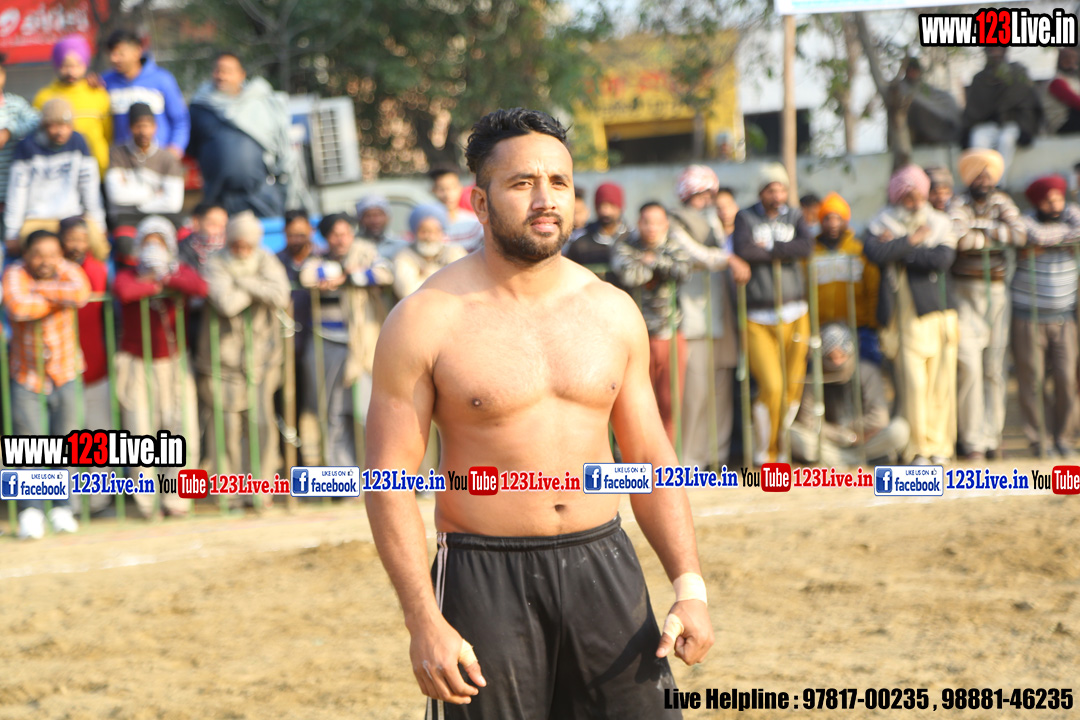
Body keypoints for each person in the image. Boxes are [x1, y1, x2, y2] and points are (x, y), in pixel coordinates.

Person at [365, 107, 712, 719]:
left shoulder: (612, 311)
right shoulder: (424, 319)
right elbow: (387, 479)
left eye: (559, 182)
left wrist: (690, 586)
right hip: (482, 577)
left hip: (604, 563)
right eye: (523, 183)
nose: (546, 199)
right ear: (480, 202)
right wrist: (423, 620)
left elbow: (650, 458)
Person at [864, 165, 959, 465]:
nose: (916, 202)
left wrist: (899, 249)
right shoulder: (881, 222)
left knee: (941, 385)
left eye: (920, 195)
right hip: (903, 320)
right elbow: (875, 254)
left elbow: (941, 260)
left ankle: (939, 446)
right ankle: (917, 449)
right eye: (909, 196)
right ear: (898, 197)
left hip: (939, 315)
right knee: (914, 387)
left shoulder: (940, 222)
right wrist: (912, 240)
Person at [113, 216, 207, 517]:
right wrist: (152, 282)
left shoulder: (179, 270)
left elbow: (199, 287)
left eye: (160, 243)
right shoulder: (127, 273)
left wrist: (165, 275)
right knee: (141, 434)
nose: (153, 249)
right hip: (137, 364)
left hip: (175, 362)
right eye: (148, 243)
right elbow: (125, 291)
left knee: (182, 430)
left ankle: (177, 500)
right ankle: (147, 503)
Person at [2, 229, 89, 539]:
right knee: (30, 446)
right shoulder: (14, 273)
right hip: (27, 375)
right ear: (27, 255)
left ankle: (62, 509)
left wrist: (38, 290)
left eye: (52, 254)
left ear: (60, 254)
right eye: (38, 255)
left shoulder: (68, 269)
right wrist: (57, 299)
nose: (46, 261)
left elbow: (81, 294)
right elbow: (18, 307)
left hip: (66, 371)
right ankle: (32, 512)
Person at [197, 211, 290, 490]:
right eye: (236, 244)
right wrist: (259, 288)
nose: (242, 250)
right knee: (225, 429)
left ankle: (261, 488)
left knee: (261, 424)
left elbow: (281, 295)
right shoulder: (215, 262)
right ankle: (230, 491)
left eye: (247, 245)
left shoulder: (266, 259)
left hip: (262, 357)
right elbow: (227, 304)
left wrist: (242, 282)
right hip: (222, 361)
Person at [732, 163, 813, 464]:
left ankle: (781, 448)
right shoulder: (745, 217)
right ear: (761, 192)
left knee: (792, 386)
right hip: (758, 315)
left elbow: (806, 247)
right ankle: (765, 453)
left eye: (781, 189)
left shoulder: (795, 215)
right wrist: (783, 250)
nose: (777, 195)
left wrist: (770, 247)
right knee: (772, 386)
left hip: (795, 311)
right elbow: (744, 249)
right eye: (771, 189)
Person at [298, 213, 393, 466]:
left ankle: (373, 472)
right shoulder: (318, 258)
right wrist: (341, 272)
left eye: (345, 234)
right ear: (326, 237)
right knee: (333, 413)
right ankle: (343, 475)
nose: (341, 240)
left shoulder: (366, 254)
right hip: (327, 344)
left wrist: (350, 277)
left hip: (364, 346)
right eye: (335, 235)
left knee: (366, 413)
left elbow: (385, 274)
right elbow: (307, 276)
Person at [949, 149, 1025, 461]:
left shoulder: (1002, 202)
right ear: (969, 178)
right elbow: (958, 238)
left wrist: (979, 231)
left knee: (995, 367)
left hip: (997, 292)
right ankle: (972, 440)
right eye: (978, 174)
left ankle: (993, 436)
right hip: (964, 292)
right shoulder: (958, 203)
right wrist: (993, 235)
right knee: (969, 366)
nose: (983, 179)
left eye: (987, 174)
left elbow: (1019, 234)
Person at [669, 169, 748, 469]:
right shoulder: (675, 223)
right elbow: (694, 254)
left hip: (722, 317)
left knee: (721, 393)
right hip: (695, 320)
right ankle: (690, 462)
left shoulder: (714, 220)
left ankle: (718, 458)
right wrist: (727, 259)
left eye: (710, 194)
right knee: (696, 395)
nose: (708, 200)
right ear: (689, 194)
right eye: (703, 194)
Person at [189, 52, 311, 217]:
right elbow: (192, 149)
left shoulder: (262, 104)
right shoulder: (200, 108)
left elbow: (281, 145)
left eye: (227, 71)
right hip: (219, 199)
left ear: (242, 75)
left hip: (262, 196)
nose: (222, 76)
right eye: (217, 70)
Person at [1010, 175, 1080, 457]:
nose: (1054, 205)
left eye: (1058, 199)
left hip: (1065, 317)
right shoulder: (1026, 221)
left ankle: (1064, 437)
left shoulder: (1072, 214)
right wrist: (1061, 239)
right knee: (1033, 380)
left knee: (1066, 378)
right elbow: (1033, 235)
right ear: (1037, 202)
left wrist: (1050, 241)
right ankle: (1041, 439)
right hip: (1029, 315)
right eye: (1048, 201)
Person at [612, 202, 692, 443]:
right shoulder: (626, 245)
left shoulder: (673, 246)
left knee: (670, 404)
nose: (652, 227)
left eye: (657, 222)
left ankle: (666, 460)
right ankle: (637, 460)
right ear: (639, 223)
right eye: (647, 222)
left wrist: (651, 261)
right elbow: (627, 274)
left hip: (670, 332)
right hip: (636, 336)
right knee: (636, 404)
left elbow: (684, 270)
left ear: (665, 224)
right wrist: (659, 268)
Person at [790, 323, 909, 466]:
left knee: (900, 430)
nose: (837, 363)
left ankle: (841, 461)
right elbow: (808, 420)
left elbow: (879, 418)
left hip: (865, 440)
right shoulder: (814, 377)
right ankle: (862, 461)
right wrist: (843, 436)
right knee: (792, 435)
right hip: (830, 442)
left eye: (841, 356)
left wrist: (854, 432)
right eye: (831, 358)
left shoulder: (867, 372)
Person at [3, 98, 108, 261]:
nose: (61, 131)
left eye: (66, 125)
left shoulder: (78, 142)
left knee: (100, 247)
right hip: (36, 218)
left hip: (72, 215)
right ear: (44, 126)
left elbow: (90, 188)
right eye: (55, 125)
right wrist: (12, 232)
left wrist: (99, 225)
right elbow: (17, 192)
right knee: (34, 251)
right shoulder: (28, 146)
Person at [811, 192, 880, 362]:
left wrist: (872, 322)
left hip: (859, 325)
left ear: (846, 220)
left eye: (838, 218)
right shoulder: (811, 254)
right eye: (827, 219)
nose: (833, 224)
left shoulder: (858, 250)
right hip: (821, 327)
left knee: (866, 368)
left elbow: (872, 286)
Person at [276, 209, 321, 465]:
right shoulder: (276, 261)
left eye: (302, 234)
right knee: (288, 406)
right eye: (292, 235)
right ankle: (294, 463)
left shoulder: (321, 258)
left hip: (318, 340)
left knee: (320, 405)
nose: (297, 239)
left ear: (311, 232)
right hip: (287, 345)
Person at [103, 28, 189, 158]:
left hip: (157, 162)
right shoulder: (105, 82)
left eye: (120, 54)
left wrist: (175, 149)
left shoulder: (162, 79)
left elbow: (180, 120)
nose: (114, 59)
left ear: (137, 51)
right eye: (111, 54)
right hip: (122, 162)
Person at [33, 35, 112, 176]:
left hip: (98, 170)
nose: (71, 72)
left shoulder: (98, 94)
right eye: (65, 66)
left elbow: (109, 133)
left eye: (77, 65)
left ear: (85, 64)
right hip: (59, 174)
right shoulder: (44, 97)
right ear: (57, 65)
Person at [962, 48, 1041, 174]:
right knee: (978, 139)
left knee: (1006, 140)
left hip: (1011, 124)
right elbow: (973, 111)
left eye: (998, 49)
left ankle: (999, 181)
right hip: (988, 125)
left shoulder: (1018, 73)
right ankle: (980, 179)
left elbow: (1028, 103)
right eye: (992, 49)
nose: (995, 53)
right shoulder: (979, 78)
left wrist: (1026, 129)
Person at [105, 102, 185, 225]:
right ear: (130, 127)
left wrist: (140, 207)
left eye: (147, 126)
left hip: (159, 219)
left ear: (155, 127)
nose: (143, 131)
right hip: (124, 220)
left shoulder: (167, 158)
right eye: (138, 126)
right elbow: (116, 195)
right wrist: (153, 193)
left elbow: (173, 203)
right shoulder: (117, 154)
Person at [0, 53, 41, 249]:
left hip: (12, 189)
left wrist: (10, 131)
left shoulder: (15, 104)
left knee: (11, 242)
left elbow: (36, 120)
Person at [393, 204, 467, 299]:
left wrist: (427, 274)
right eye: (423, 231)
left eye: (434, 231)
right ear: (415, 232)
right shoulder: (405, 255)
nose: (429, 237)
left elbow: (462, 284)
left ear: (441, 233)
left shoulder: (453, 252)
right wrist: (444, 274)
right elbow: (408, 291)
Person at [563, 181, 627, 279]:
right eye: (601, 206)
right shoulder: (580, 243)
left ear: (620, 208)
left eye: (611, 206)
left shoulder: (632, 239)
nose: (606, 212)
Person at [429, 168, 483, 251]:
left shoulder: (474, 223)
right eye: (441, 189)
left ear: (460, 188)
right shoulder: (426, 224)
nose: (448, 195)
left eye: (452, 188)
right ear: (433, 190)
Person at [356, 194, 407, 259]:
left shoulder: (401, 246)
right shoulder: (352, 244)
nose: (375, 221)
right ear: (360, 220)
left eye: (379, 215)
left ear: (388, 218)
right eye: (368, 216)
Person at [1044, 47, 1080, 135]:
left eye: (1073, 58)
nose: (1071, 62)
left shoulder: (1073, 80)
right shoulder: (1057, 81)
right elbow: (1075, 101)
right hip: (1062, 122)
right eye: (1067, 58)